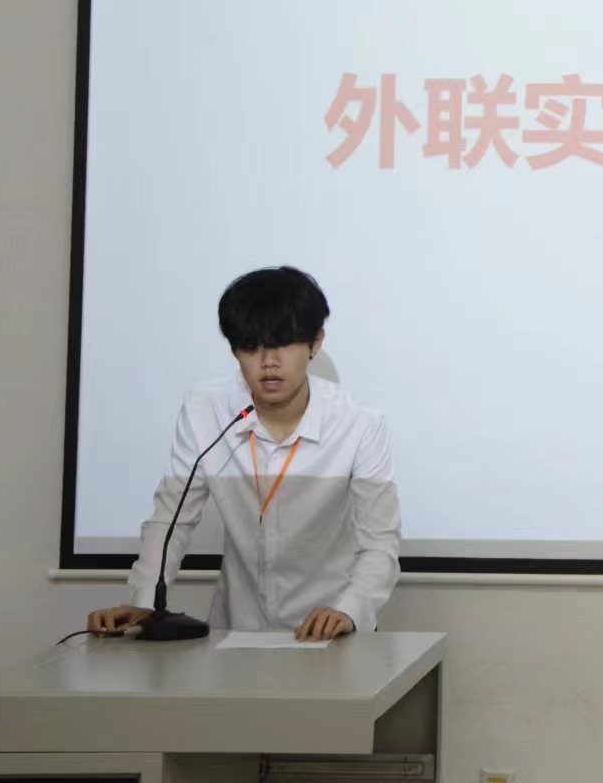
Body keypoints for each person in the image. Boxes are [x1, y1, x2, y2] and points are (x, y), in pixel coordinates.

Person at [87, 267, 400, 640]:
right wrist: (146, 603)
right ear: (234, 349)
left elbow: (379, 543)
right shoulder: (206, 411)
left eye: (284, 343)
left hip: (331, 632)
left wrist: (349, 609)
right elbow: (171, 519)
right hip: (236, 632)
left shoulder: (359, 424)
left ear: (315, 342)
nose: (268, 362)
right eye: (251, 347)